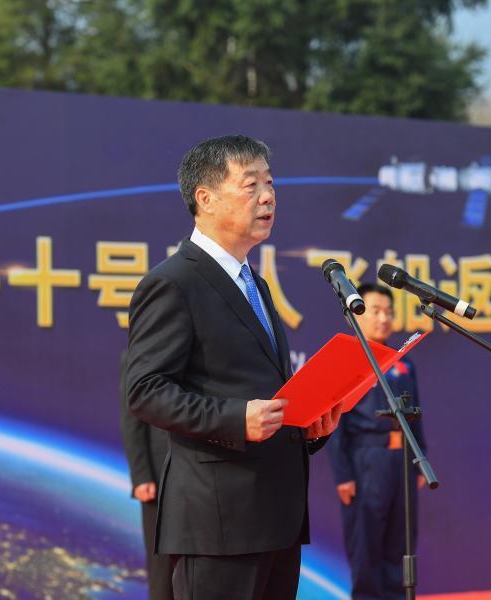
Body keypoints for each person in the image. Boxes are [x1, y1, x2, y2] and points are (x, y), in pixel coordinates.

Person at [125, 134, 341, 600]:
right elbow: (144, 390)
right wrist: (236, 419)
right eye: (250, 185)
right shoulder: (173, 282)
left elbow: (261, 388)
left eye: (270, 183)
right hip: (219, 522)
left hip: (277, 518)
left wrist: (310, 427)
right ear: (205, 198)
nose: (268, 196)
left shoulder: (256, 286)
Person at [327, 283, 426, 600]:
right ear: (355, 315)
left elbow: (416, 416)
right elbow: (334, 424)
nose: (383, 318)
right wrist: (343, 475)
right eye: (375, 311)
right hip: (366, 460)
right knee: (367, 543)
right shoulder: (346, 360)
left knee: (401, 541)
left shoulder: (403, 362)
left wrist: (420, 459)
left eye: (389, 311)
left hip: (403, 463)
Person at [118, 349, 173, 600]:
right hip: (158, 480)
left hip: (197, 479)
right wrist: (141, 475)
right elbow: (132, 419)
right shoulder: (138, 352)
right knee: (161, 569)